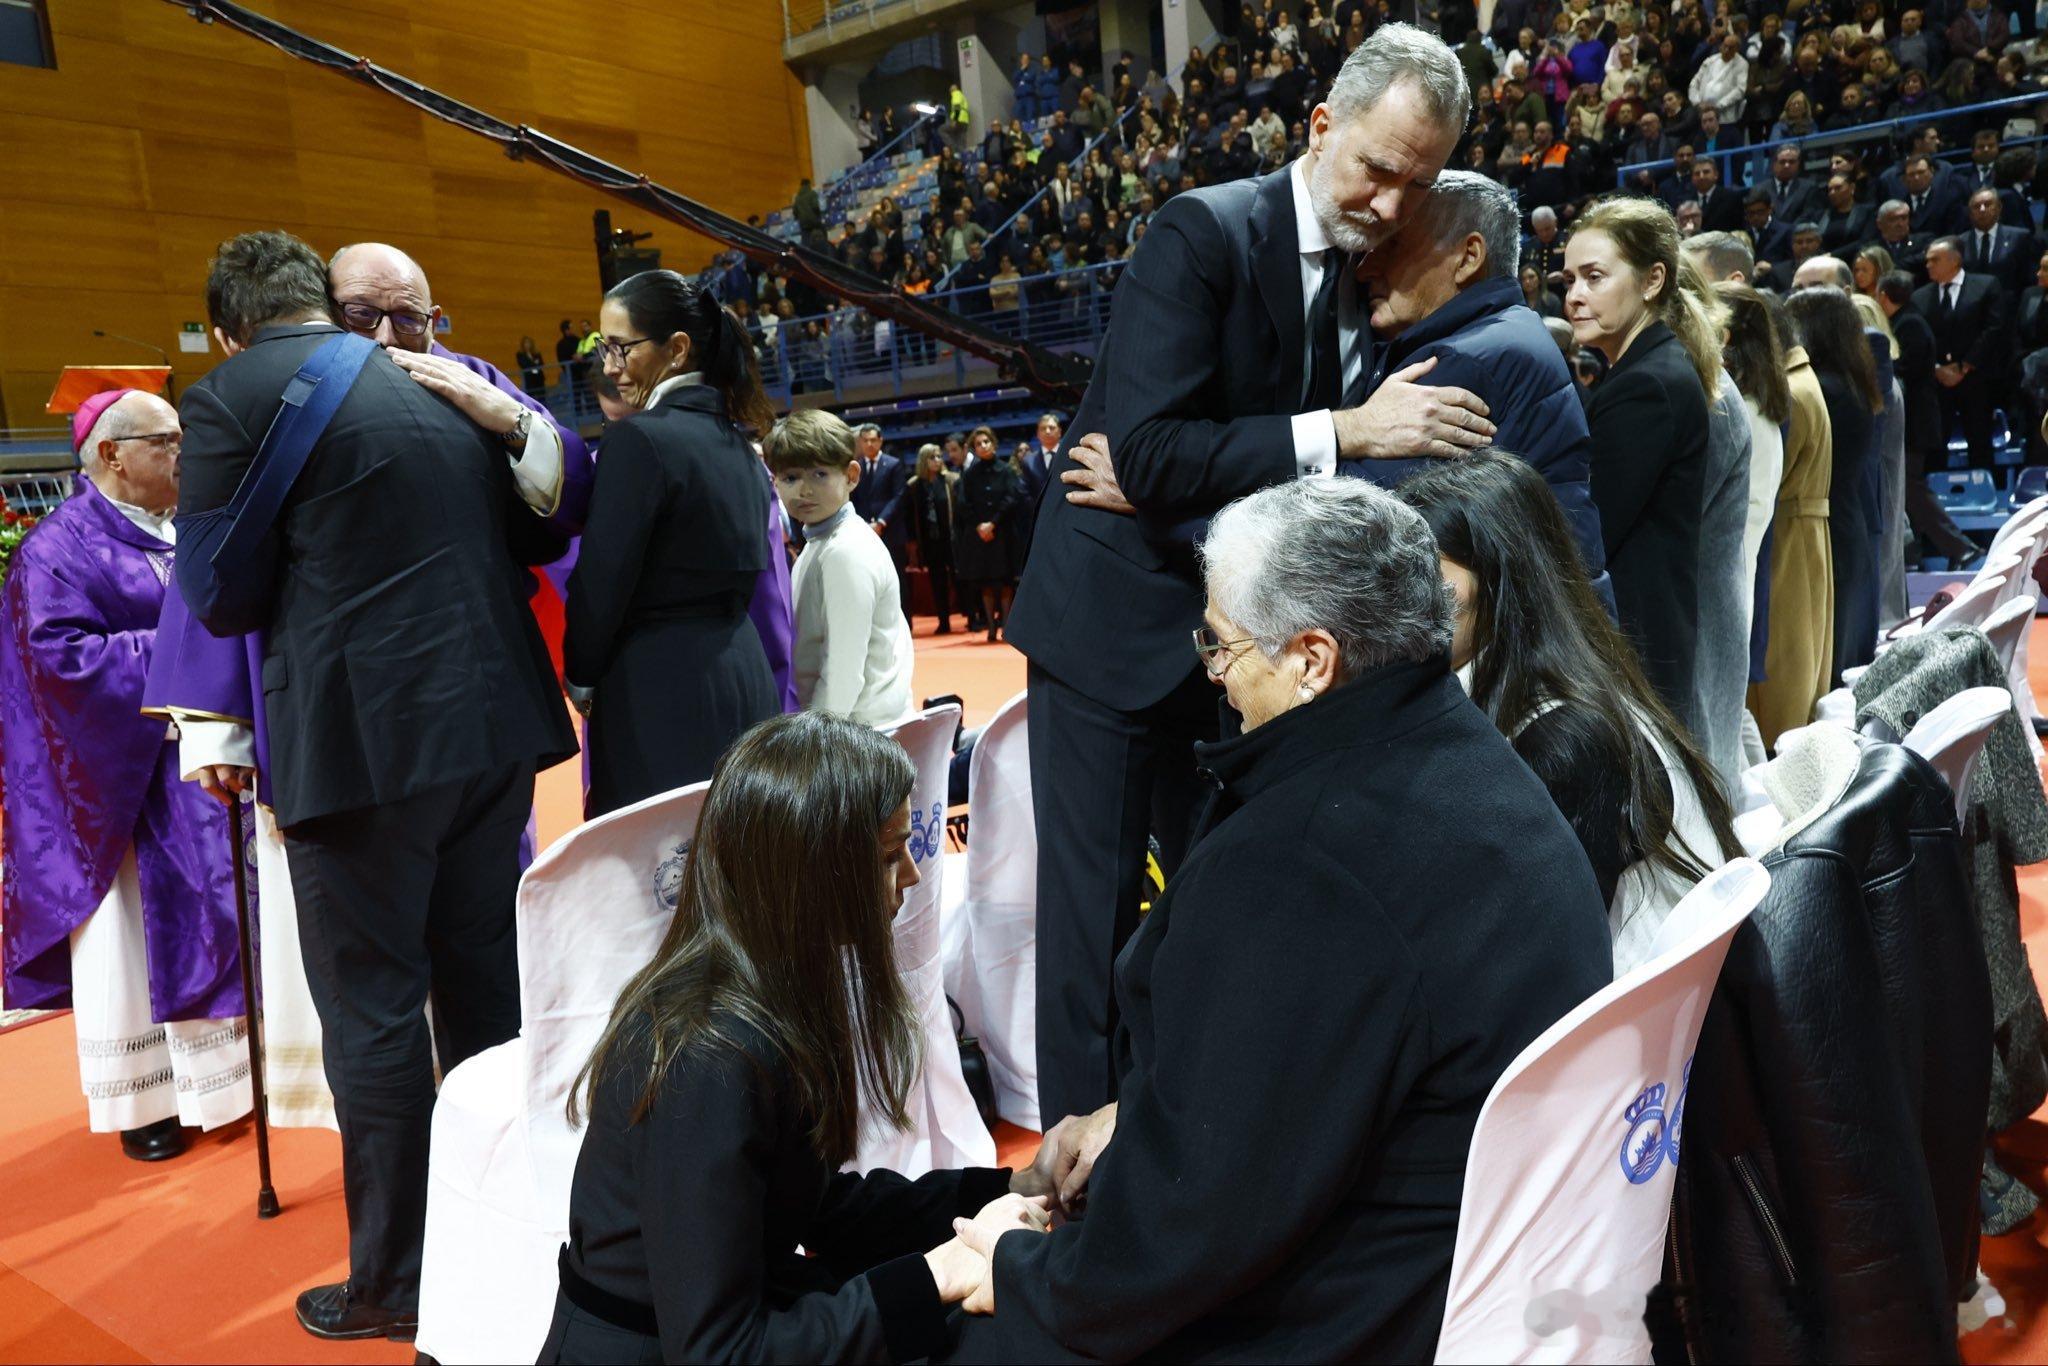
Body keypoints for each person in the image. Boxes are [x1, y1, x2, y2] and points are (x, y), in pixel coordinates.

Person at [947, 478, 1612, 1361]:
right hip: (1467, 1275)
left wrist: (1025, 1268)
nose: (1214, 675)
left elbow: (1185, 1234)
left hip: (1346, 1315)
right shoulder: (1466, 755)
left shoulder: (1302, 861)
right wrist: (1137, 1117)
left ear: (1312, 659)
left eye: (1221, 644)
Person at [1007, 21, 1486, 1127]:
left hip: (1237, 642)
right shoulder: (1201, 231)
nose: (1388, 204)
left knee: (1212, 911)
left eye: (1415, 186)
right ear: (1319, 126)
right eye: (1375, 168)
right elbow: (1149, 452)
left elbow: (1173, 467)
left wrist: (1180, 476)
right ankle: (1071, 1191)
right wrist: (1344, 433)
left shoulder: (1362, 273)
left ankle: (1182, 1141)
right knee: (1092, 930)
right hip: (1115, 635)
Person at [174, 231, 578, 1340]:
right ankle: (511, 1225)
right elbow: (527, 532)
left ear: (228, 328)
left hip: (361, 748)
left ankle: (397, 1281)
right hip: (492, 728)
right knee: (485, 992)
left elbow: (215, 595)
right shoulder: (442, 381)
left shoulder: (226, 396)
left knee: (375, 1014)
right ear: (322, 299)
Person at [547, 713, 1050, 1363]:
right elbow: (717, 1353)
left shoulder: (766, 993)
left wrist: (1012, 1187)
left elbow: (814, 1206)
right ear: (814, 873)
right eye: (889, 855)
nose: (912, 876)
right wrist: (934, 1278)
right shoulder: (709, 1057)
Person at [0, 389, 251, 1163]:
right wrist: (186, 654)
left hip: (194, 764)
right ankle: (147, 1101)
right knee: (131, 941)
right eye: (166, 440)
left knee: (221, 916)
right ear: (112, 454)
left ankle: (222, 1083)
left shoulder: (182, 528)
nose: (183, 453)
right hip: (119, 789)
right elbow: (59, 661)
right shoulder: (57, 549)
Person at [1403, 452, 1740, 970]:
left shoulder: (1565, 738)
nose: (1406, 607)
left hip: (1638, 1008)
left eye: (1426, 577)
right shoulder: (1568, 685)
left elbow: (1536, 954)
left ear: (1500, 578)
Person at [565, 269, 781, 818]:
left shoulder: (639, 438)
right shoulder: (739, 443)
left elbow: (602, 578)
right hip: (744, 673)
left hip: (661, 690)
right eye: (603, 348)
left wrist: (581, 672)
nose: (609, 366)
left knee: (661, 860)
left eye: (620, 348)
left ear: (677, 349)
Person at [1348, 170, 1607, 588]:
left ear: (1468, 258)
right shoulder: (1507, 331)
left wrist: (1342, 432)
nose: (1366, 268)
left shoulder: (1462, 362)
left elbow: (1353, 532)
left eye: (1391, 245)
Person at [1563, 196, 1719, 731]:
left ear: (1652, 280)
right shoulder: (1648, 368)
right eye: (1569, 280)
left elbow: (1592, 531)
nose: (1575, 296)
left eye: (1594, 277)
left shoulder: (1646, 384)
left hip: (1635, 640)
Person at [766, 409, 913, 727]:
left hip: (856, 734)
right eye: (791, 478)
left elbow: (842, 674)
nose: (804, 490)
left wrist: (813, 745)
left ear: (851, 476)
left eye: (819, 474)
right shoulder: (823, 541)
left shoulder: (844, 550)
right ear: (775, 482)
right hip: (857, 727)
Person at [1786, 287, 1886, 684]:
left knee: (1825, 669)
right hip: (1847, 525)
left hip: (1830, 533)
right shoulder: (1852, 383)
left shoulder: (1821, 389)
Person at [1750, 311, 1838, 750]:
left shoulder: (1791, 392)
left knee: (1785, 659)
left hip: (1787, 530)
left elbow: (1769, 477)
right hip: (1803, 526)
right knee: (1801, 652)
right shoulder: (1804, 381)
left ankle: (1777, 753)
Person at [1714, 281, 1789, 678]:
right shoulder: (1757, 402)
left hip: (1728, 566)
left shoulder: (1739, 409)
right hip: (1737, 563)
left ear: (1724, 335)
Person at [1879, 269, 1979, 566]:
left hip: (1915, 424)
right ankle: (1918, 554)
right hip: (1914, 422)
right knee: (1909, 491)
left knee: (1912, 489)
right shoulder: (1909, 320)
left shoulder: (1908, 323)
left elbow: (1906, 371)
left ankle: (1960, 547)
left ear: (1883, 296)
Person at [1913, 238, 2010, 469]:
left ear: (1954, 260)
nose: (1928, 265)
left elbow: (1994, 329)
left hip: (1976, 379)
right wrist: (1937, 368)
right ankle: (1933, 491)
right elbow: (1919, 338)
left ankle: (1985, 487)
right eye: (1927, 261)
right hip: (1937, 383)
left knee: (1980, 441)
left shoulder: (1986, 285)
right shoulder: (1919, 296)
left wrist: (1964, 365)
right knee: (1935, 446)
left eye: (1934, 260)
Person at [952, 426, 1024, 643]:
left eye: (986, 442)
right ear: (973, 448)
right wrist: (979, 525)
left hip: (1002, 532)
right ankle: (991, 628)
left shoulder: (1006, 470)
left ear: (994, 443)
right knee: (985, 581)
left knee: (1005, 580)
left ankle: (1007, 628)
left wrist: (993, 523)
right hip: (980, 535)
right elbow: (963, 503)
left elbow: (1012, 498)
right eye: (978, 444)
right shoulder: (970, 474)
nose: (983, 446)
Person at [850, 423, 912, 619]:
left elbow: (899, 496)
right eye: (865, 440)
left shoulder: (893, 464)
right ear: (860, 442)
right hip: (864, 532)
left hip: (890, 531)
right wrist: (863, 525)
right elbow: (853, 499)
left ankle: (905, 622)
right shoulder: (856, 466)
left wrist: (881, 522)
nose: (869, 444)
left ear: (880, 441)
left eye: (873, 440)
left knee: (898, 577)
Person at [907, 444, 961, 635]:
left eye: (939, 456)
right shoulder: (914, 485)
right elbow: (911, 517)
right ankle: (943, 621)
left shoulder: (950, 480)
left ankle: (972, 617)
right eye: (933, 457)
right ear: (924, 460)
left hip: (950, 538)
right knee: (937, 582)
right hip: (930, 541)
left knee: (959, 577)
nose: (938, 460)